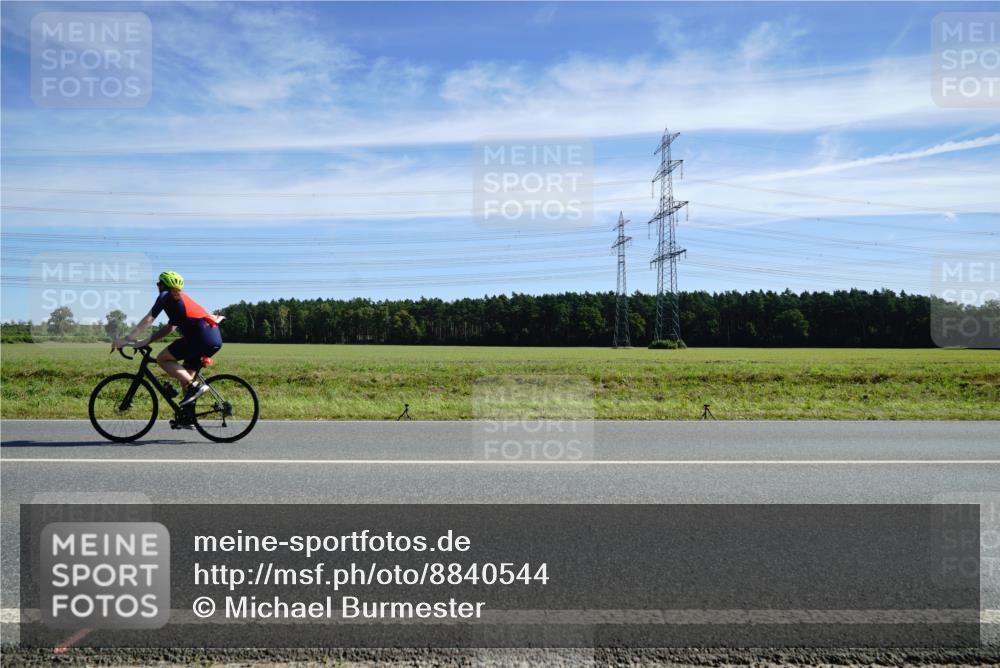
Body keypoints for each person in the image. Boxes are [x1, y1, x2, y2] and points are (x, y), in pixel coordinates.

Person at [114, 271, 224, 407]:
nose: (157, 285)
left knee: (163, 359)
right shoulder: (179, 299)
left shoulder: (165, 295)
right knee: (186, 377)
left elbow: (149, 319)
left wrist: (126, 339)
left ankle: (194, 386)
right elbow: (170, 328)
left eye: (159, 283)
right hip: (213, 339)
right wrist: (147, 341)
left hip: (199, 339)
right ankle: (188, 418)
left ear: (164, 285)